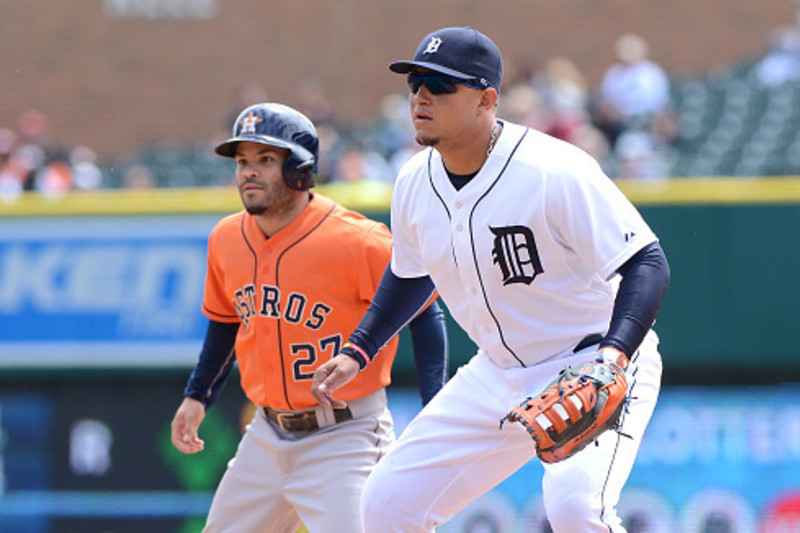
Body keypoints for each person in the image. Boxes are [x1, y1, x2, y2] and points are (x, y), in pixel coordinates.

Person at [311, 26, 670, 533]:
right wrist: (359, 349)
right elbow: (410, 274)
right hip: (496, 372)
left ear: (487, 99)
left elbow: (647, 262)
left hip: (591, 361)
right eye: (416, 84)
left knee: (575, 511)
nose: (421, 97)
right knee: (386, 507)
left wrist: (614, 358)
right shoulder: (414, 181)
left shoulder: (554, 170)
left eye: (440, 86)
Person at [170, 102, 448, 533]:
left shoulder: (357, 240)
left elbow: (425, 310)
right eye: (242, 161)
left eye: (265, 160)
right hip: (265, 434)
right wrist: (197, 395)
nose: (248, 172)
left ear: (301, 169)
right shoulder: (226, 238)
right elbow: (225, 322)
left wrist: (435, 411)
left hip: (346, 436)